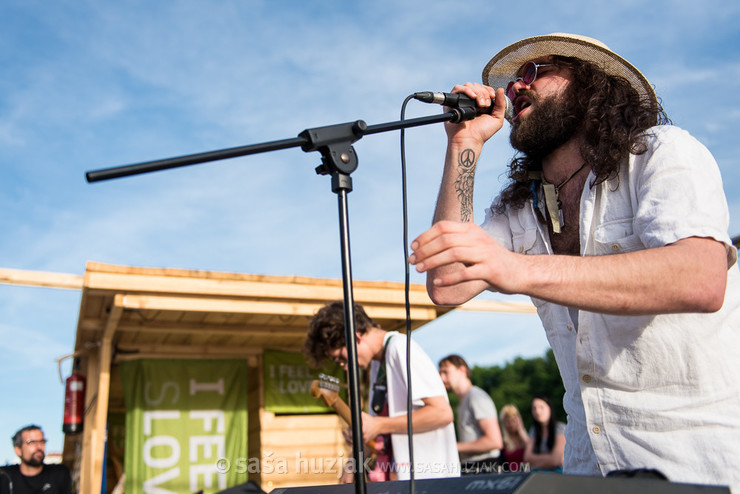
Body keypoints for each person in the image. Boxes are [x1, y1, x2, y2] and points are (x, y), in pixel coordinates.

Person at [409, 32, 740, 488]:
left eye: (535, 72)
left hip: (692, 456)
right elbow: (447, 281)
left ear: (592, 86)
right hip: (589, 464)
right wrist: (463, 145)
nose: (516, 87)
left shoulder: (661, 152)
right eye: (514, 79)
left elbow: (700, 277)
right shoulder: (522, 209)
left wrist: (518, 270)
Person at [303, 301, 460, 481]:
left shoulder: (400, 348)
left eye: (341, 358)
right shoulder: (377, 365)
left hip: (432, 479)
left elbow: (442, 413)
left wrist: (378, 425)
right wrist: (353, 462)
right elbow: (380, 434)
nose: (344, 367)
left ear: (356, 338)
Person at [437, 354, 503, 475]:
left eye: (446, 372)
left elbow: (495, 441)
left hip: (485, 467)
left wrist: (453, 446)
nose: (442, 378)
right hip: (472, 467)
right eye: (440, 373)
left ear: (462, 370)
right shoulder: (463, 401)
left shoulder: (476, 396)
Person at [0, 425, 72, 494]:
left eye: (42, 442)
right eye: (32, 442)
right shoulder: (5, 476)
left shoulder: (59, 474)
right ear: (18, 450)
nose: (39, 447)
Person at [524, 396, 565, 472]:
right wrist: (549, 459)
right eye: (534, 408)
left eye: (541, 407)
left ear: (549, 408)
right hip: (537, 473)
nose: (537, 411)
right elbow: (527, 457)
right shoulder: (534, 430)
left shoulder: (560, 428)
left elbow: (556, 460)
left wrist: (535, 462)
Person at [498, 404, 528, 469]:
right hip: (510, 475)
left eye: (513, 420)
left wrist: (521, 430)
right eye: (508, 422)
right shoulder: (502, 442)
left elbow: (531, 449)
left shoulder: (525, 438)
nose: (511, 424)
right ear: (503, 423)